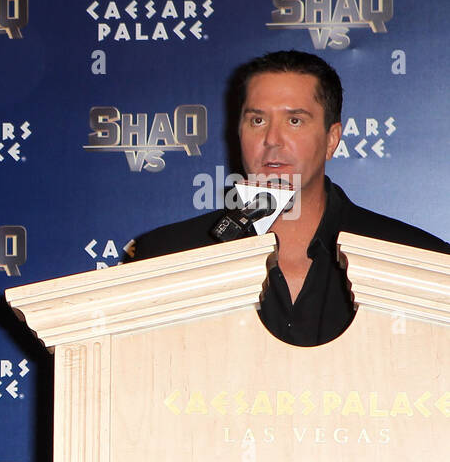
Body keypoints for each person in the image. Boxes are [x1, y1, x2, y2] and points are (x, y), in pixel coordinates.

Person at [127, 50, 450, 346]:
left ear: (331, 138)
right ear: (238, 132)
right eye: (257, 120)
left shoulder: (420, 261)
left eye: (294, 121)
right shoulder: (166, 258)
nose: (272, 140)